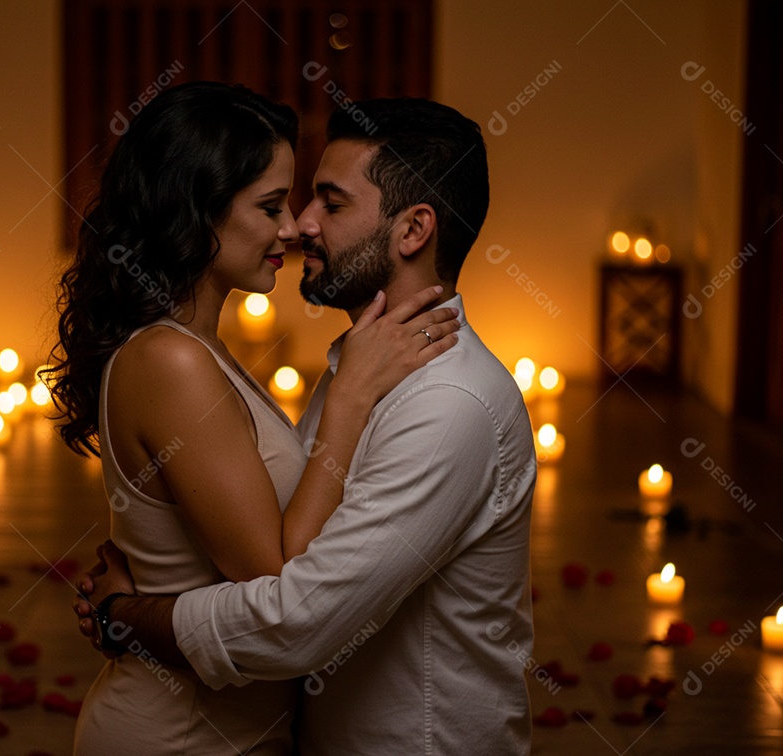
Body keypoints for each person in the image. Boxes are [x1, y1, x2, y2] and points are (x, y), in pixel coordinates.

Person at [74, 97, 537, 755]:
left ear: (413, 231)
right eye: (278, 206)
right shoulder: (352, 371)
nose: (300, 227)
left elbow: (296, 618)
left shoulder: (449, 403)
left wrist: (131, 618)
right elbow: (280, 558)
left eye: (329, 202)